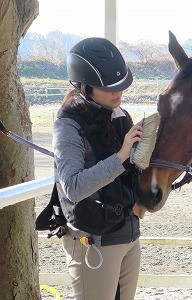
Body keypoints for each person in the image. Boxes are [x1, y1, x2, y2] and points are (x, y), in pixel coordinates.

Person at [54, 37, 143, 299]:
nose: (119, 92)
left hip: (129, 234)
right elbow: (72, 187)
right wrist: (122, 154)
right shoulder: (68, 125)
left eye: (121, 85)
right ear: (85, 86)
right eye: (110, 87)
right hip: (94, 240)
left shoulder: (120, 116)